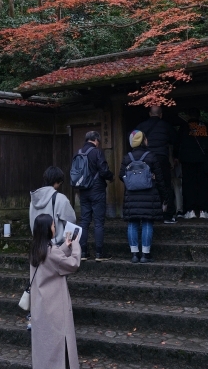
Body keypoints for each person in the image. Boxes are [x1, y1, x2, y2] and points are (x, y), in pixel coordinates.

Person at [29, 213, 80, 369]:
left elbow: (54, 258)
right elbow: (73, 264)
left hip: (39, 305)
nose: (54, 227)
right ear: (48, 229)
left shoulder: (36, 249)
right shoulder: (50, 251)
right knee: (53, 347)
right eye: (52, 225)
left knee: (42, 346)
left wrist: (64, 246)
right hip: (54, 305)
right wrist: (74, 245)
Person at [119, 130, 172, 263]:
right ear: (143, 141)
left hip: (131, 195)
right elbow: (160, 179)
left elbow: (121, 175)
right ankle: (145, 254)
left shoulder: (127, 157)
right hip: (149, 195)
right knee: (148, 222)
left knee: (133, 223)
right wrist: (164, 197)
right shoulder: (151, 156)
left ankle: (134, 254)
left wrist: (131, 181)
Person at [133, 105, 179, 223]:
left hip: (145, 158)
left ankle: (147, 213)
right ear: (161, 114)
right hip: (161, 157)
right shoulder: (166, 126)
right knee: (165, 185)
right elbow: (175, 141)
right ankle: (167, 215)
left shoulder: (141, 126)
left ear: (149, 114)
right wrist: (175, 157)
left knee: (146, 184)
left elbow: (133, 140)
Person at [74, 130, 112, 261]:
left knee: (84, 221)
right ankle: (99, 253)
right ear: (96, 140)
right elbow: (104, 170)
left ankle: (83, 252)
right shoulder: (97, 152)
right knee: (98, 222)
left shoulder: (78, 153)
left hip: (83, 191)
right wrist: (111, 177)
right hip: (97, 190)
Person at [178, 110, 208, 219]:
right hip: (204, 160)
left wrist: (176, 157)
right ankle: (203, 210)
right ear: (199, 116)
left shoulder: (184, 127)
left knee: (189, 186)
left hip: (188, 160)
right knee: (203, 185)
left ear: (189, 115)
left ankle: (191, 211)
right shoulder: (205, 126)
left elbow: (178, 143)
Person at [30, 166, 77, 243]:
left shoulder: (34, 199)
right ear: (57, 182)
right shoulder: (60, 198)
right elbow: (71, 221)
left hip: (38, 245)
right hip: (57, 245)